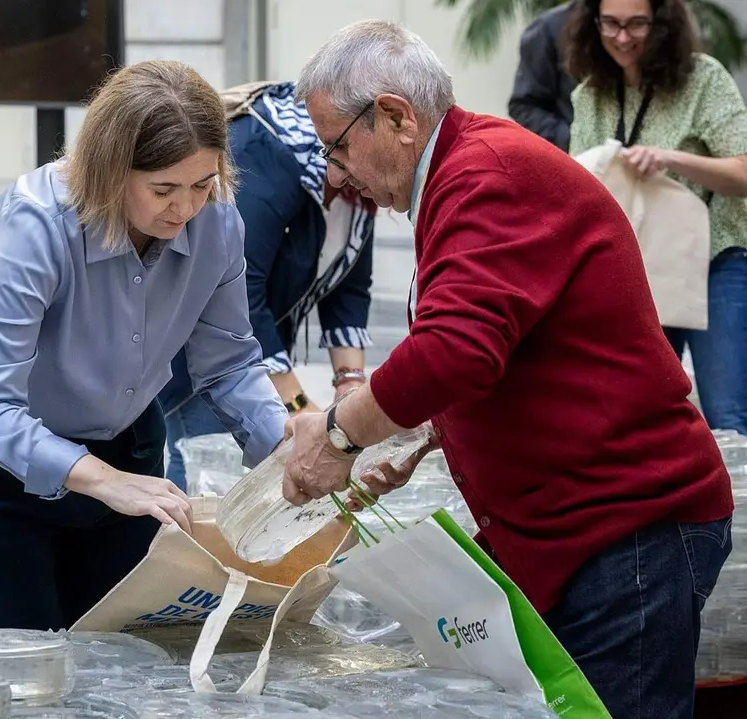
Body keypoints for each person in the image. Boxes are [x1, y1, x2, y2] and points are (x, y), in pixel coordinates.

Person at [284, 20, 733, 719]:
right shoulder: (465, 171)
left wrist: (340, 433)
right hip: (589, 528)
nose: (338, 171)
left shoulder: (485, 175)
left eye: (338, 146)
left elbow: (455, 347)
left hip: (625, 525)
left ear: (397, 116)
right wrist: (430, 427)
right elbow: (509, 342)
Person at [0, 59, 290, 631]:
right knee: (13, 656)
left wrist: (288, 451)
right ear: (112, 172)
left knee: (119, 652)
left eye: (202, 184)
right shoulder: (35, 222)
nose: (183, 209)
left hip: (124, 440)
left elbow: (230, 362)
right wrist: (105, 481)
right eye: (163, 189)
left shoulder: (218, 220)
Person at [157, 80, 376, 489]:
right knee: (207, 474)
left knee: (268, 462)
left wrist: (350, 385)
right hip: (200, 361)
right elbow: (244, 288)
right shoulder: (266, 152)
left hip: (252, 358)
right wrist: (295, 403)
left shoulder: (359, 179)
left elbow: (350, 286)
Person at [566, 0, 747, 436]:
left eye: (636, 24)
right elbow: (577, 182)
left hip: (715, 262)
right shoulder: (591, 92)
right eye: (610, 23)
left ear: (662, 24)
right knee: (643, 413)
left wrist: (671, 159)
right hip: (639, 272)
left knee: (728, 415)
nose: (622, 37)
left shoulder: (704, 79)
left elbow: (743, 172)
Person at [508, 1, 579, 150]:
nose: (622, 38)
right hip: (578, 160)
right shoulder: (549, 28)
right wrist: (574, 141)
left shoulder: (635, 26)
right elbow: (524, 106)